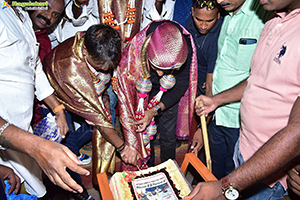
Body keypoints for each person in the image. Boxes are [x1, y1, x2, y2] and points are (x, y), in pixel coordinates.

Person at [188, 0, 300, 199]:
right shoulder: (273, 22)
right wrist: (216, 100)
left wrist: (224, 186)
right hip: (244, 149)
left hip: (268, 170)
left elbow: (297, 132)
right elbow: (256, 78)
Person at [0, 0, 89, 198]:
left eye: (55, 14)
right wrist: (35, 146)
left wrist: (58, 110)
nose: (49, 17)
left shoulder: (21, 17)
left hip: (22, 133)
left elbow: (35, 70)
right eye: (45, 6)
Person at [43, 24, 141, 187]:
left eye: (109, 66)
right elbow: (99, 121)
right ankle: (79, 192)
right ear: (86, 53)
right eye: (99, 65)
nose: (105, 69)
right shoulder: (72, 71)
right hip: (56, 101)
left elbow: (100, 84)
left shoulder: (99, 45)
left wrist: (102, 96)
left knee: (90, 132)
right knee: (69, 153)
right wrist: (123, 147)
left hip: (88, 95)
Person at [202, 0, 270, 180]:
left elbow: (263, 76)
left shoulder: (263, 16)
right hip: (217, 114)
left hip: (240, 118)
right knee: (215, 172)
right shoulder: (226, 15)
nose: (219, 1)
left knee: (234, 177)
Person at [117, 20, 198, 170]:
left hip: (168, 91)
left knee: (168, 135)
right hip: (141, 90)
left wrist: (155, 110)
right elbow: (126, 81)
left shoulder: (184, 46)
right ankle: (148, 168)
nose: (160, 74)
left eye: (165, 69)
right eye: (157, 67)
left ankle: (169, 170)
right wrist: (144, 109)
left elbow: (180, 86)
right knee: (145, 135)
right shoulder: (139, 46)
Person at [185, 0, 223, 157]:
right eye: (199, 19)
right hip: (191, 75)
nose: (203, 26)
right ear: (192, 11)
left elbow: (210, 86)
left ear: (219, 16)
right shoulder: (189, 23)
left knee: (205, 132)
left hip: (210, 79)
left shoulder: (217, 38)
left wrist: (203, 129)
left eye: (210, 21)